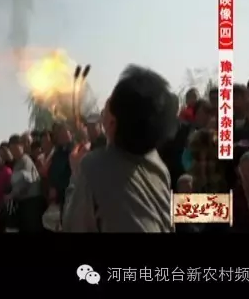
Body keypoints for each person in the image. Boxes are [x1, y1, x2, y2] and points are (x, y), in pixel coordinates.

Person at [63, 65, 175, 232]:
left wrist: (76, 174)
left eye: (109, 102)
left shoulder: (93, 166)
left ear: (112, 123)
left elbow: (73, 226)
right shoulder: (159, 166)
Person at [8, 134, 44, 232]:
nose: (13, 152)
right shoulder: (17, 163)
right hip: (24, 203)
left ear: (21, 146)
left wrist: (11, 195)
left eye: (15, 148)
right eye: (11, 149)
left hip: (31, 203)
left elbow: (25, 183)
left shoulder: (25, 161)